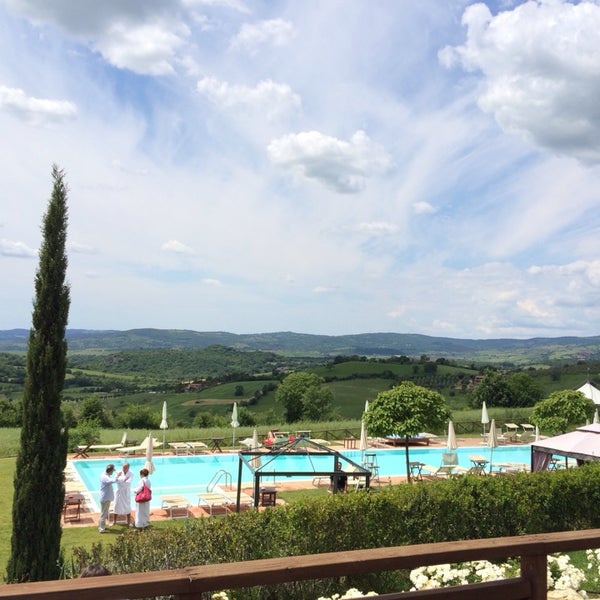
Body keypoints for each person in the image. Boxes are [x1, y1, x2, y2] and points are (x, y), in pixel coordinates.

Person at [98, 463, 117, 533]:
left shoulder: (106, 475)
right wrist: (117, 476)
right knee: (103, 514)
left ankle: (101, 526)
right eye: (113, 471)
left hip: (105, 498)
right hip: (105, 498)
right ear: (110, 470)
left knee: (103, 513)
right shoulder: (105, 477)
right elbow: (111, 481)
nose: (113, 472)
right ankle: (101, 529)